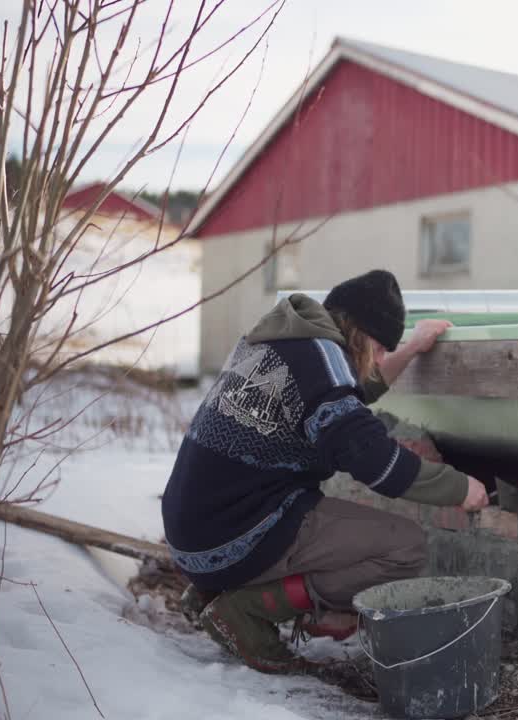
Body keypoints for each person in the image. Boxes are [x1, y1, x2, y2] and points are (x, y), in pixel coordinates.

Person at [161, 269, 488, 674]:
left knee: (313, 511)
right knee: (405, 546)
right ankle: (245, 609)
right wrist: (460, 488)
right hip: (237, 532)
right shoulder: (321, 357)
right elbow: (371, 459)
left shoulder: (282, 341)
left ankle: (212, 592)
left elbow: (346, 391)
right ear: (361, 336)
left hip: (194, 534)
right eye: (382, 348)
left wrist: (412, 348)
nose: (382, 359)